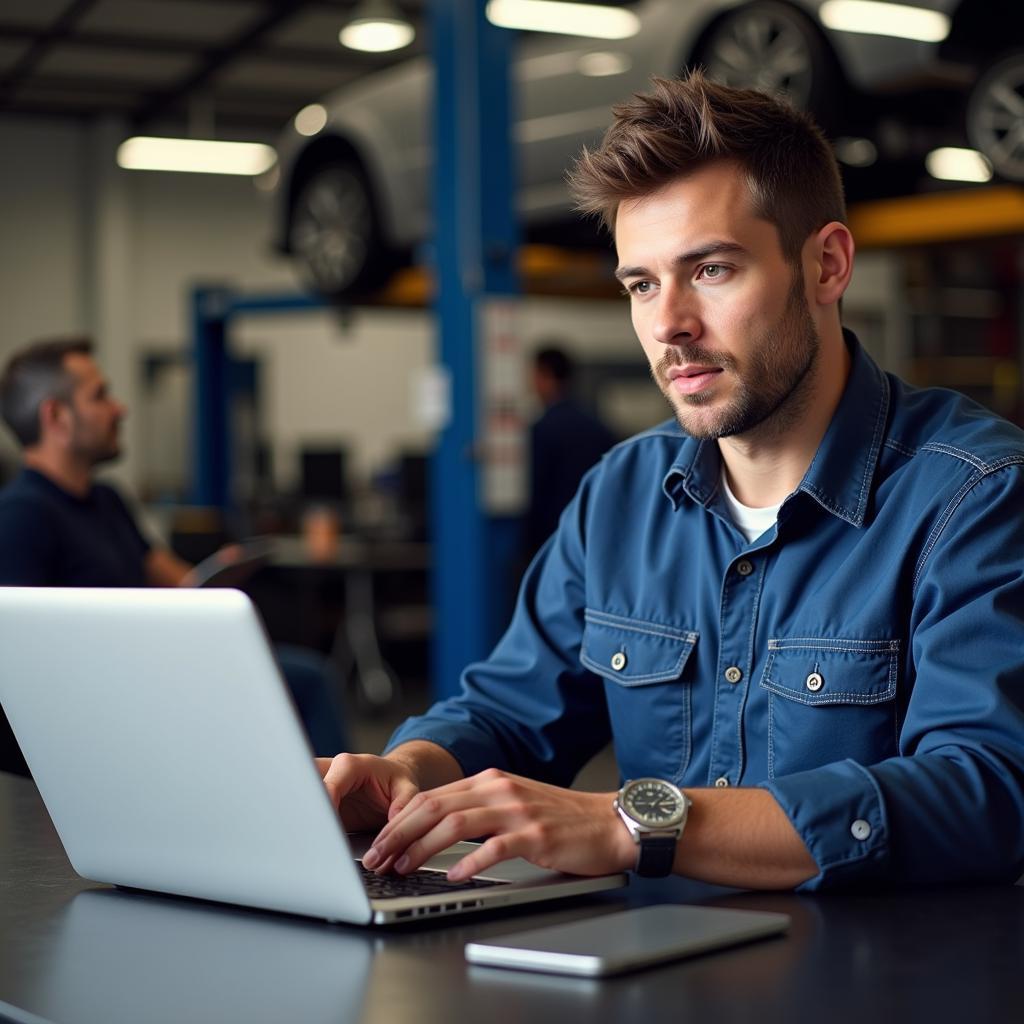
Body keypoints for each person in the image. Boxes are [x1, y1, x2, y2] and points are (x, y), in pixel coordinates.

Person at [326, 71, 1024, 892]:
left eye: (713, 270)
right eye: (642, 283)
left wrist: (632, 820)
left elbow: (987, 791)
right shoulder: (621, 495)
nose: (669, 325)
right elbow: (509, 713)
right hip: (653, 973)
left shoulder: (975, 495)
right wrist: (406, 768)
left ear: (827, 265)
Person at [0, 337, 346, 773]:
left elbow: (178, 580)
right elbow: (24, 660)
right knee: (303, 680)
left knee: (301, 673)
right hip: (109, 695)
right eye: (100, 396)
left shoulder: (106, 500)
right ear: (56, 416)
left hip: (148, 670)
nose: (119, 409)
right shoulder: (21, 516)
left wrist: (222, 571)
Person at [523, 345, 616, 561]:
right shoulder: (597, 426)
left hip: (553, 535)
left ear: (545, 376)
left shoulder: (543, 428)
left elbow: (539, 490)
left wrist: (527, 544)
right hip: (593, 530)